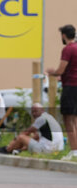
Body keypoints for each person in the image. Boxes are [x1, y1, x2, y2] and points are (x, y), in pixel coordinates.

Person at [47, 24, 77, 160]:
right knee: (75, 119)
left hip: (70, 87)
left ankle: (74, 150)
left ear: (64, 36)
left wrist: (52, 72)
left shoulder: (68, 49)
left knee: (68, 119)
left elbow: (61, 70)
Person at [0, 103, 64, 155]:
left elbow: (26, 133)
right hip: (58, 149)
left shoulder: (41, 119)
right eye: (32, 112)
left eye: (36, 111)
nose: (34, 114)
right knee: (35, 137)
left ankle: (7, 150)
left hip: (49, 149)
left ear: (42, 110)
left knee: (21, 137)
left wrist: (15, 140)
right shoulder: (49, 117)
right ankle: (17, 150)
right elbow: (36, 136)